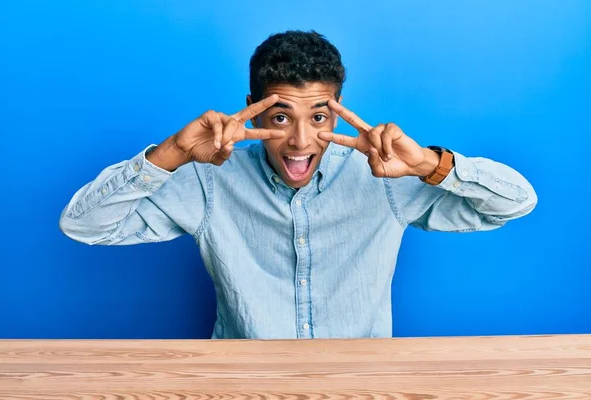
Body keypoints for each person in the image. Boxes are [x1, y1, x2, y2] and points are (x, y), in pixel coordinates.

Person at [59, 30, 537, 339]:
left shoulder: (385, 179)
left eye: (320, 116)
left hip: (361, 390)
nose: (300, 141)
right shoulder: (210, 182)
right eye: (281, 116)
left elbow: (515, 202)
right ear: (252, 108)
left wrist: (430, 164)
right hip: (245, 391)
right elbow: (84, 226)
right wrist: (171, 154)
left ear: (339, 108)